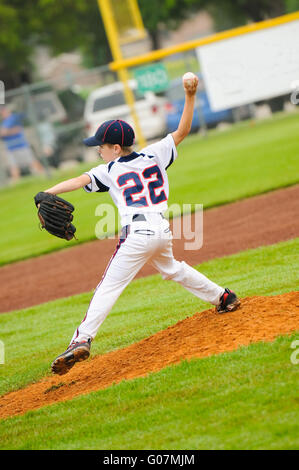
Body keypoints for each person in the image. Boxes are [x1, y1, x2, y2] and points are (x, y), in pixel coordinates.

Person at [45, 74, 241, 376]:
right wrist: (190, 95)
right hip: (162, 230)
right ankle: (223, 297)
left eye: (100, 145)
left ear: (114, 147)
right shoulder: (155, 153)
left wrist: (48, 193)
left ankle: (81, 339)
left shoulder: (108, 169)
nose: (98, 149)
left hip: (136, 233)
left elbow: (79, 180)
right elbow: (183, 130)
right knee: (173, 268)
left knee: (108, 287)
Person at [0, 105, 44, 182]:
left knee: (32, 162)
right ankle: (16, 184)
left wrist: (6, 132)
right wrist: (8, 132)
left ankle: (44, 175)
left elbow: (4, 132)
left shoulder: (13, 118)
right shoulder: (3, 122)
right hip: (10, 148)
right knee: (13, 166)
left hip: (21, 145)